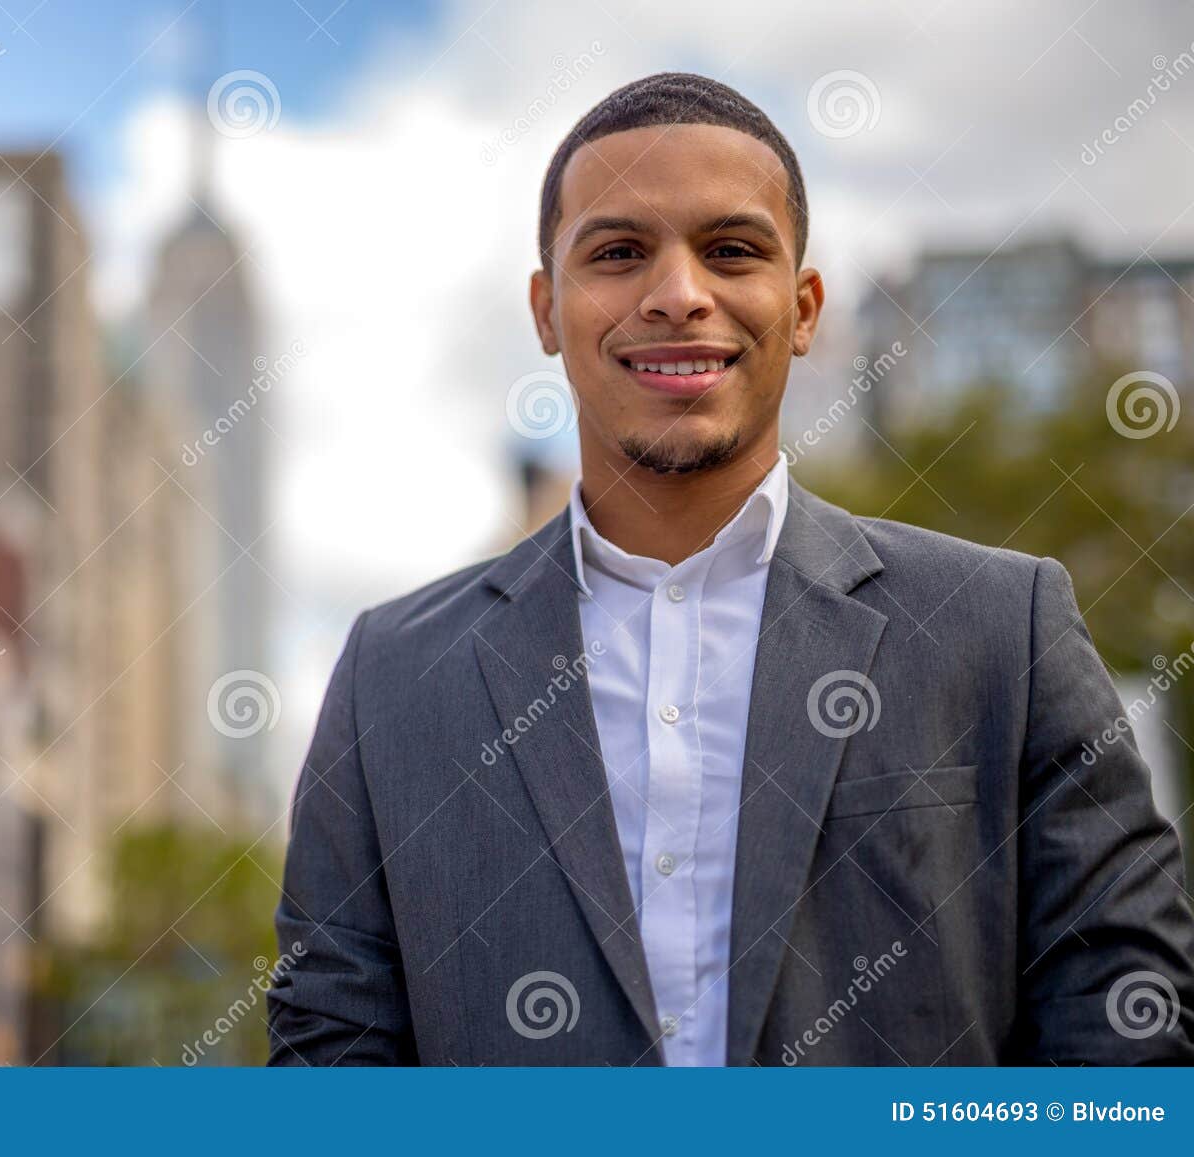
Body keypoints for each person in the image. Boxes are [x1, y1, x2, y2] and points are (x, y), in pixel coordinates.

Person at [265, 72, 1194, 1065]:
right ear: (546, 310)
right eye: (618, 252)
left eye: (731, 251)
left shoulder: (1001, 627)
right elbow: (333, 1042)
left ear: (802, 308)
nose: (677, 295)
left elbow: (1123, 1013)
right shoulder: (394, 673)